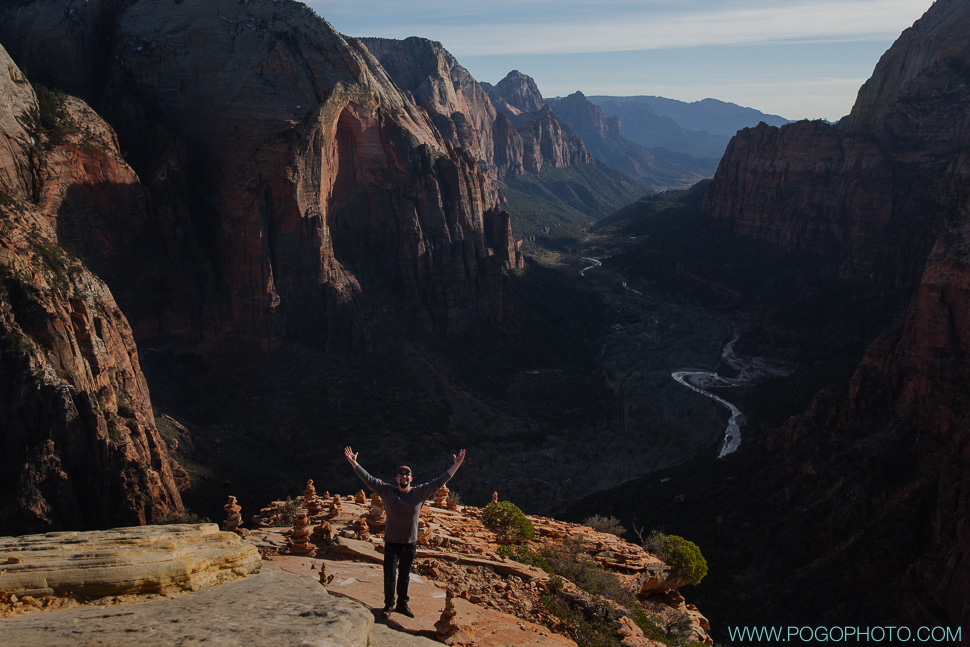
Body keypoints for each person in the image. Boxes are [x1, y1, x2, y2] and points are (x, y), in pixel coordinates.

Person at [344, 445, 466, 618]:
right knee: (389, 576)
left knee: (404, 576)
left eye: (406, 474)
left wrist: (457, 465)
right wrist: (354, 464)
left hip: (410, 543)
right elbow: (369, 480)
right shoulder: (387, 491)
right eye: (401, 474)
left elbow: (439, 481)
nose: (404, 476)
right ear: (396, 478)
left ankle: (402, 604)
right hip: (391, 542)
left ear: (411, 478)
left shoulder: (419, 492)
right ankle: (388, 606)